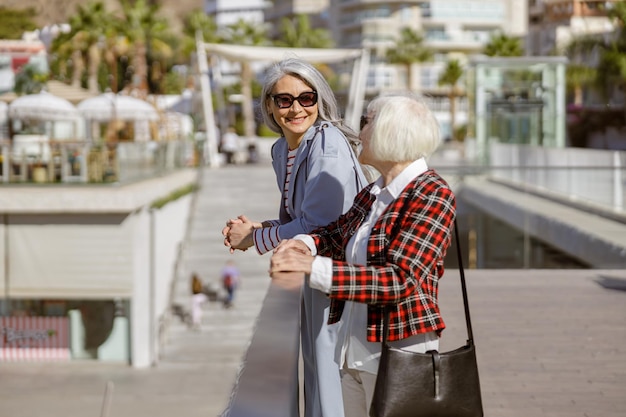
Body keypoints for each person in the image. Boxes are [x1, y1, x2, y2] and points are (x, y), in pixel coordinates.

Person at [268, 93, 456, 417]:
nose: (357, 133)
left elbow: (399, 280)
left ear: (388, 131)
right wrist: (305, 245)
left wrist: (312, 267)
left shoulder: (431, 193)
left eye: (364, 122)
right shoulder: (375, 192)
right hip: (351, 352)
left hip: (399, 353)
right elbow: (336, 234)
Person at [222, 57, 367, 417]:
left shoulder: (327, 144)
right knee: (319, 377)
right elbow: (300, 218)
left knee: (328, 381)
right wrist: (256, 230)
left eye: (307, 97)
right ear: (269, 105)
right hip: (315, 274)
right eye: (284, 100)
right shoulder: (282, 149)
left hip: (336, 279)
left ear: (320, 100)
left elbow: (321, 222)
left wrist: (255, 239)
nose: (297, 108)